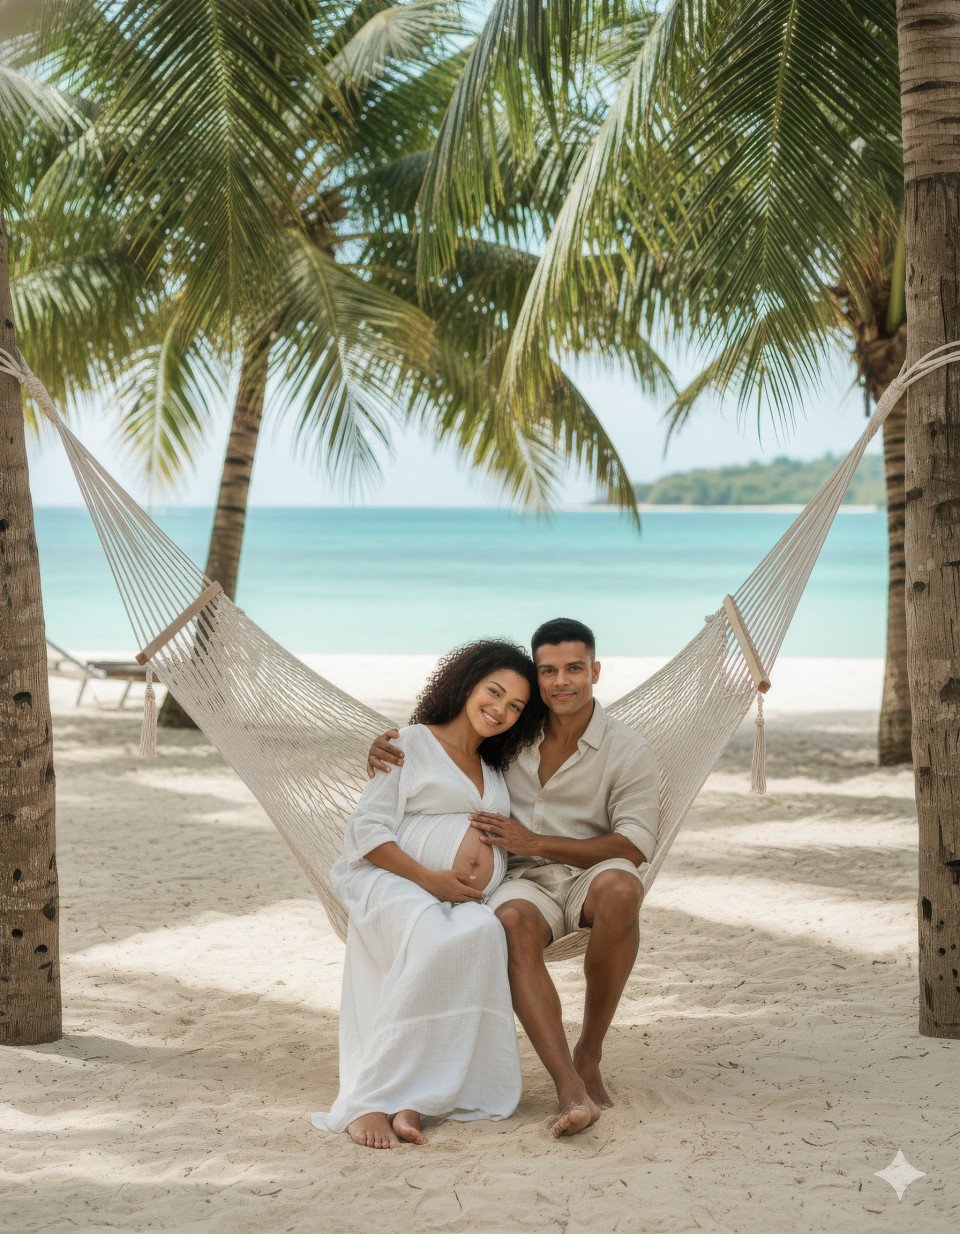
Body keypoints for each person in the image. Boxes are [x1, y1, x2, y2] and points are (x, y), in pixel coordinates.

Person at [368, 617, 659, 1138]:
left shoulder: (628, 751)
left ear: (595, 670)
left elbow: (634, 845)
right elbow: (445, 750)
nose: (561, 681)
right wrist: (385, 749)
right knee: (510, 921)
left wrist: (536, 841)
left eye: (574, 668)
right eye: (548, 671)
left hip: (592, 872)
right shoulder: (512, 732)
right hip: (524, 881)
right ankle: (569, 1085)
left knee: (622, 889)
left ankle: (588, 1053)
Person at [310, 640, 546, 1149]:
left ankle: (420, 1091)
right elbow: (366, 831)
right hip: (393, 881)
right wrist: (429, 878)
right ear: (467, 685)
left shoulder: (494, 767)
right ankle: (370, 1100)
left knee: (484, 936)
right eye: (494, 692)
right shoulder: (408, 744)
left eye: (515, 706)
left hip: (461, 901)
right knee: (434, 942)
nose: (500, 710)